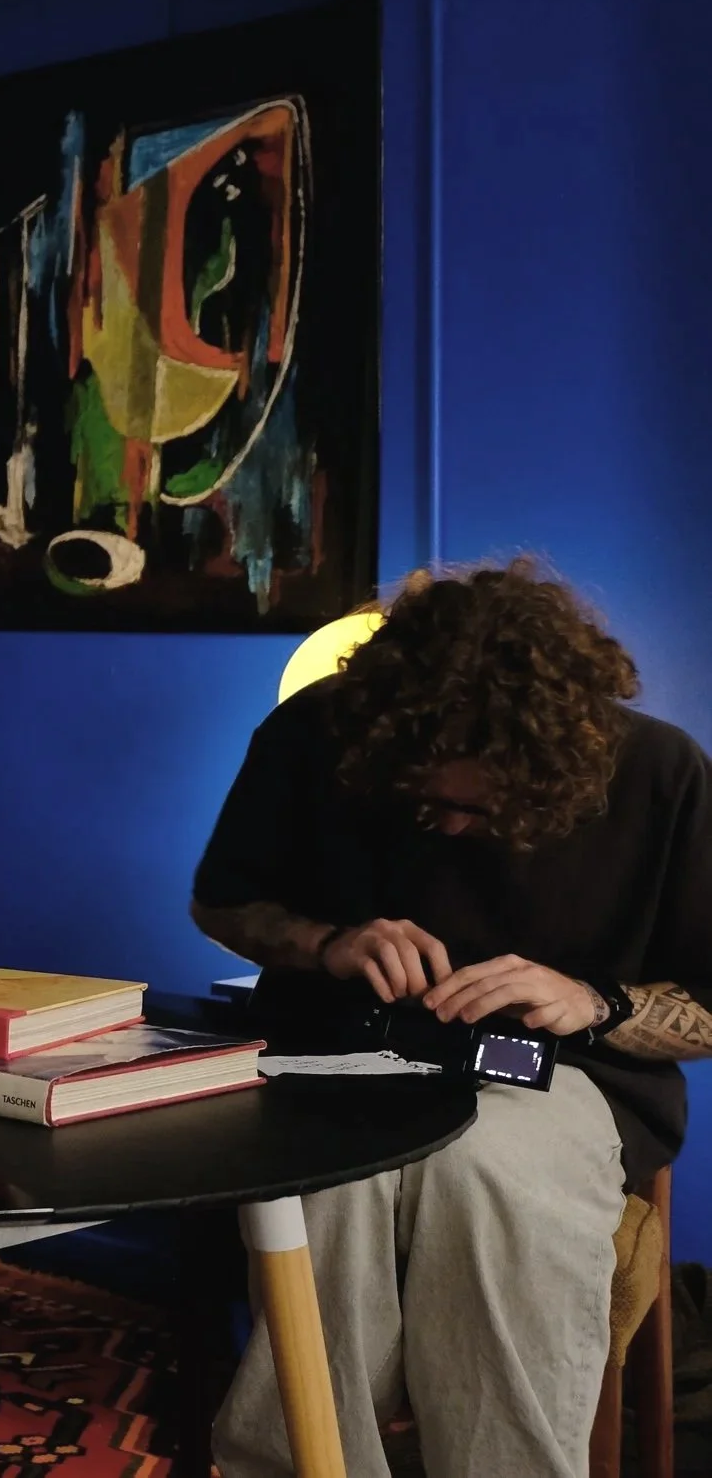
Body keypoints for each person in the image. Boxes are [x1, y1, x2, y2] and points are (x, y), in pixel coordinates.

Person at [191, 562, 712, 1478]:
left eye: (477, 806)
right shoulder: (314, 731)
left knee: (487, 1177)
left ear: (551, 764)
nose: (448, 827)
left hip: (560, 1077)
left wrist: (595, 1002)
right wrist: (326, 942)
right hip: (334, 1060)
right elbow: (224, 904)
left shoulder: (660, 771)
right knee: (335, 1189)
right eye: (422, 801)